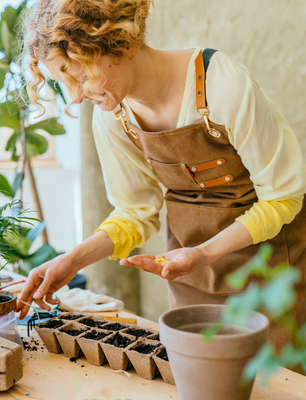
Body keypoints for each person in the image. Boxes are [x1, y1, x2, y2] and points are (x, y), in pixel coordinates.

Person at [16, 0, 306, 349]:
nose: (76, 96)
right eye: (64, 82)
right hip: (190, 276)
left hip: (272, 271)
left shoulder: (221, 85)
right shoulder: (113, 116)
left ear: (119, 44)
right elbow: (134, 213)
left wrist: (205, 252)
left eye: (81, 76)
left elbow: (283, 197)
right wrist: (71, 260)